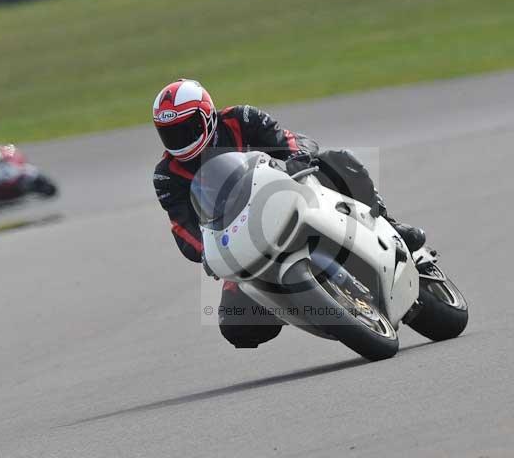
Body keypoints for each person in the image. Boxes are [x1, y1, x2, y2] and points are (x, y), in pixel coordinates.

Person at [152, 79, 425, 348]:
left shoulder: (240, 118)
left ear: (207, 116)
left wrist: (297, 157)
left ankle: (390, 224)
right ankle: (299, 302)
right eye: (170, 133)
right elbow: (183, 227)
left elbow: (287, 139)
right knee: (236, 326)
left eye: (188, 128)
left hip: (287, 193)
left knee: (339, 161)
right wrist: (206, 253)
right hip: (239, 237)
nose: (180, 140)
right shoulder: (166, 176)